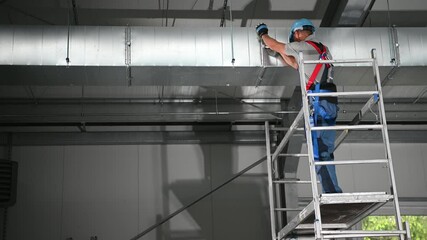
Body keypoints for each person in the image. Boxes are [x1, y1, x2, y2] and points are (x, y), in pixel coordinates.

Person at [255, 19, 342, 193]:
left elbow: (276, 45)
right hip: (328, 101)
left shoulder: (304, 46)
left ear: (298, 32)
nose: (294, 41)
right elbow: (295, 63)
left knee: (319, 152)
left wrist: (263, 33)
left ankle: (332, 194)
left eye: (294, 38)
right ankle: (333, 191)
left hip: (318, 102)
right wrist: (279, 54)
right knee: (325, 150)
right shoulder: (323, 49)